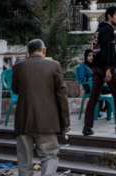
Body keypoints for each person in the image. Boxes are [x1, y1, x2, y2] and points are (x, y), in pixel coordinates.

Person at [12, 39, 70, 176]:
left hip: (23, 121)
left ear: (28, 52)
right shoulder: (54, 66)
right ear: (44, 51)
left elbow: (15, 90)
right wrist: (65, 122)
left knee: (24, 161)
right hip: (47, 122)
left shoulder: (18, 67)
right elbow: (61, 96)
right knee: (49, 156)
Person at [83, 6, 116, 135]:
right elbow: (106, 50)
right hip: (105, 67)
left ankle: (87, 127)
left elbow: (97, 50)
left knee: (94, 97)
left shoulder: (99, 30)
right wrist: (108, 69)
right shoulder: (107, 30)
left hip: (97, 67)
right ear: (109, 16)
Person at [77, 49, 110, 116]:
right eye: (89, 55)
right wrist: (91, 79)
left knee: (111, 91)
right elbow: (81, 79)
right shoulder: (82, 66)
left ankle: (104, 110)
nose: (91, 57)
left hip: (97, 86)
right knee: (108, 91)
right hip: (89, 88)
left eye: (92, 55)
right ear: (86, 56)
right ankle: (105, 111)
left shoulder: (94, 66)